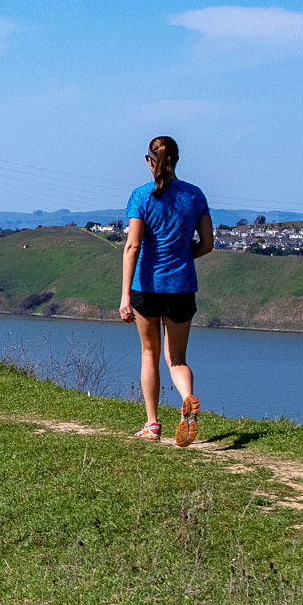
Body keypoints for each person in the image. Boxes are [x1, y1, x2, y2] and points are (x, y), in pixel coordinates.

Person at [119, 135, 213, 445]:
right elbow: (207, 244)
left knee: (150, 354)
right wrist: (184, 256)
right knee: (178, 359)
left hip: (146, 286)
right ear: (176, 160)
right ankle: (187, 398)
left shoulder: (141, 196)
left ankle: (152, 424)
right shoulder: (195, 195)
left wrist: (125, 295)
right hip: (181, 286)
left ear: (149, 161)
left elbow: (133, 246)